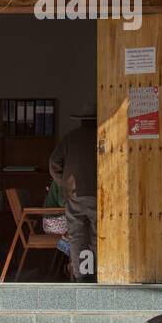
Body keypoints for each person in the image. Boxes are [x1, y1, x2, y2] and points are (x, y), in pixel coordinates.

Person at [49, 113, 97, 282]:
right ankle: (97, 274)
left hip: (74, 194)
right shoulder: (103, 135)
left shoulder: (70, 137)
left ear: (82, 120)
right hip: (98, 194)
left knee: (77, 236)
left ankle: (81, 275)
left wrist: (63, 182)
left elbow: (54, 163)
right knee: (97, 235)